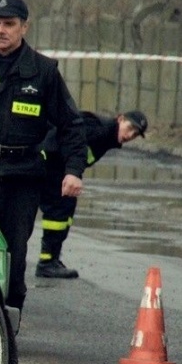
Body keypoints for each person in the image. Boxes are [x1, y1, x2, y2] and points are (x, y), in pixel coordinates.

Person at [0, 0, 87, 364]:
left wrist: (73, 170)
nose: (1, 30)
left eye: (9, 24)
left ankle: (6, 340)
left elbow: (71, 125)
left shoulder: (43, 72)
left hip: (20, 178)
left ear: (24, 27)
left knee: (12, 259)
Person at [36, 110, 149, 278]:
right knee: (58, 211)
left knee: (66, 209)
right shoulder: (100, 129)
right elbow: (70, 141)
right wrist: (70, 171)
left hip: (59, 168)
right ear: (120, 119)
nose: (130, 135)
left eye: (136, 134)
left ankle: (52, 259)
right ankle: (46, 262)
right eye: (130, 128)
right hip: (52, 164)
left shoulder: (107, 136)